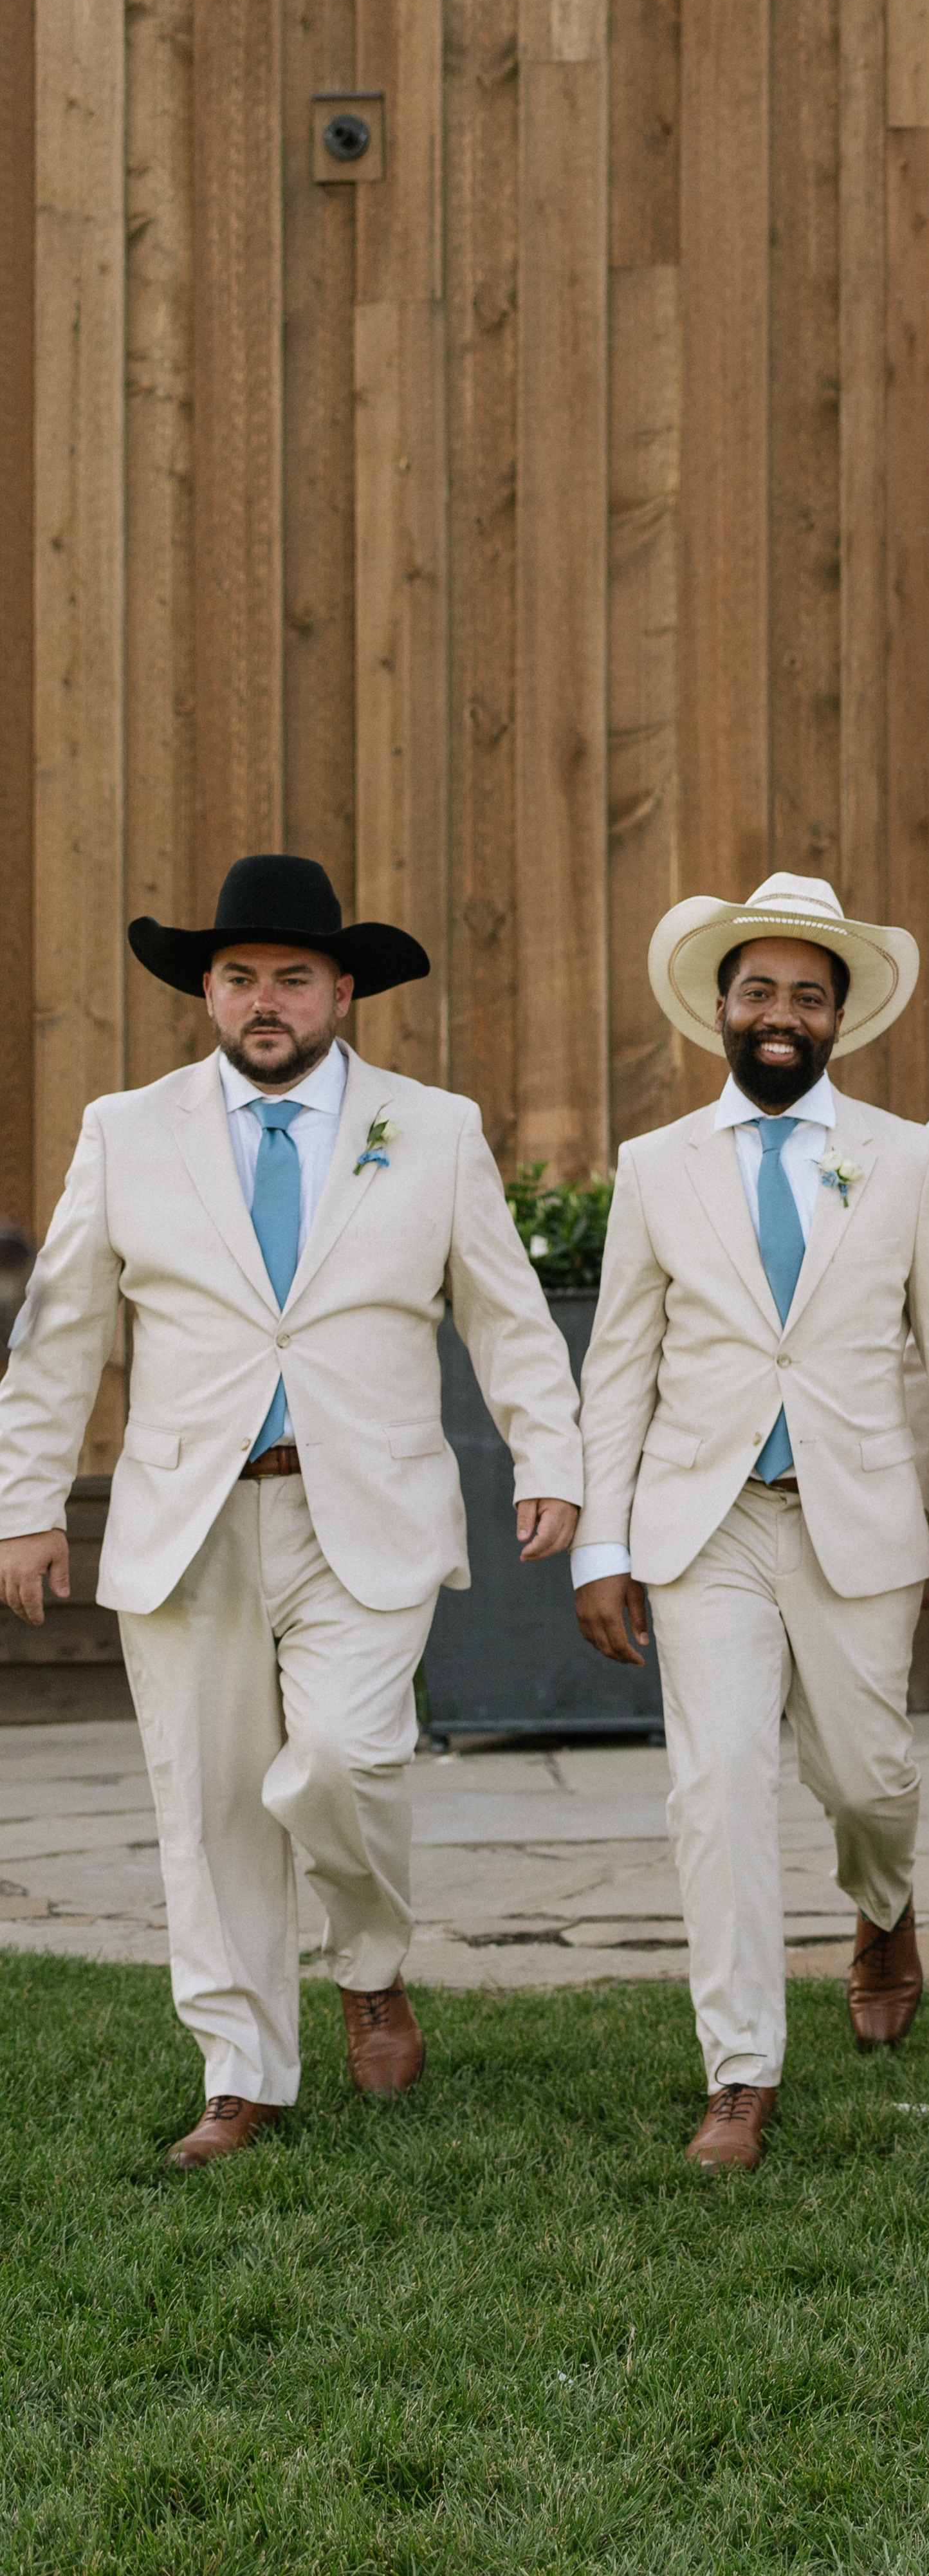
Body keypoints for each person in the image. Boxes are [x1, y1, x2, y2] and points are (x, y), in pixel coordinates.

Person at [0, 855, 582, 2166]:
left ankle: (367, 1959)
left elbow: (506, 1314)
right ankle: (242, 2074)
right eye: (240, 977)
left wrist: (551, 1455)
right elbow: (60, 1331)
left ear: (343, 991)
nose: (266, 1000)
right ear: (207, 991)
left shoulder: (433, 1128)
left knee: (340, 1759)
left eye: (294, 978)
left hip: (363, 1508)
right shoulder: (124, 1129)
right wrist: (23, 1502)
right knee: (207, 1806)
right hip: (188, 1516)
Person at [571, 874, 929, 2170]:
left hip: (857, 1515)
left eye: (807, 996)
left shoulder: (908, 1157)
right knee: (716, 1787)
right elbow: (619, 1365)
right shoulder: (655, 1166)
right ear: (720, 1008)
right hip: (703, 1523)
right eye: (758, 990)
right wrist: (603, 1543)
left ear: (838, 1018)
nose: (781, 1013)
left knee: (868, 1776)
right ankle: (740, 2073)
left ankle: (883, 1901)